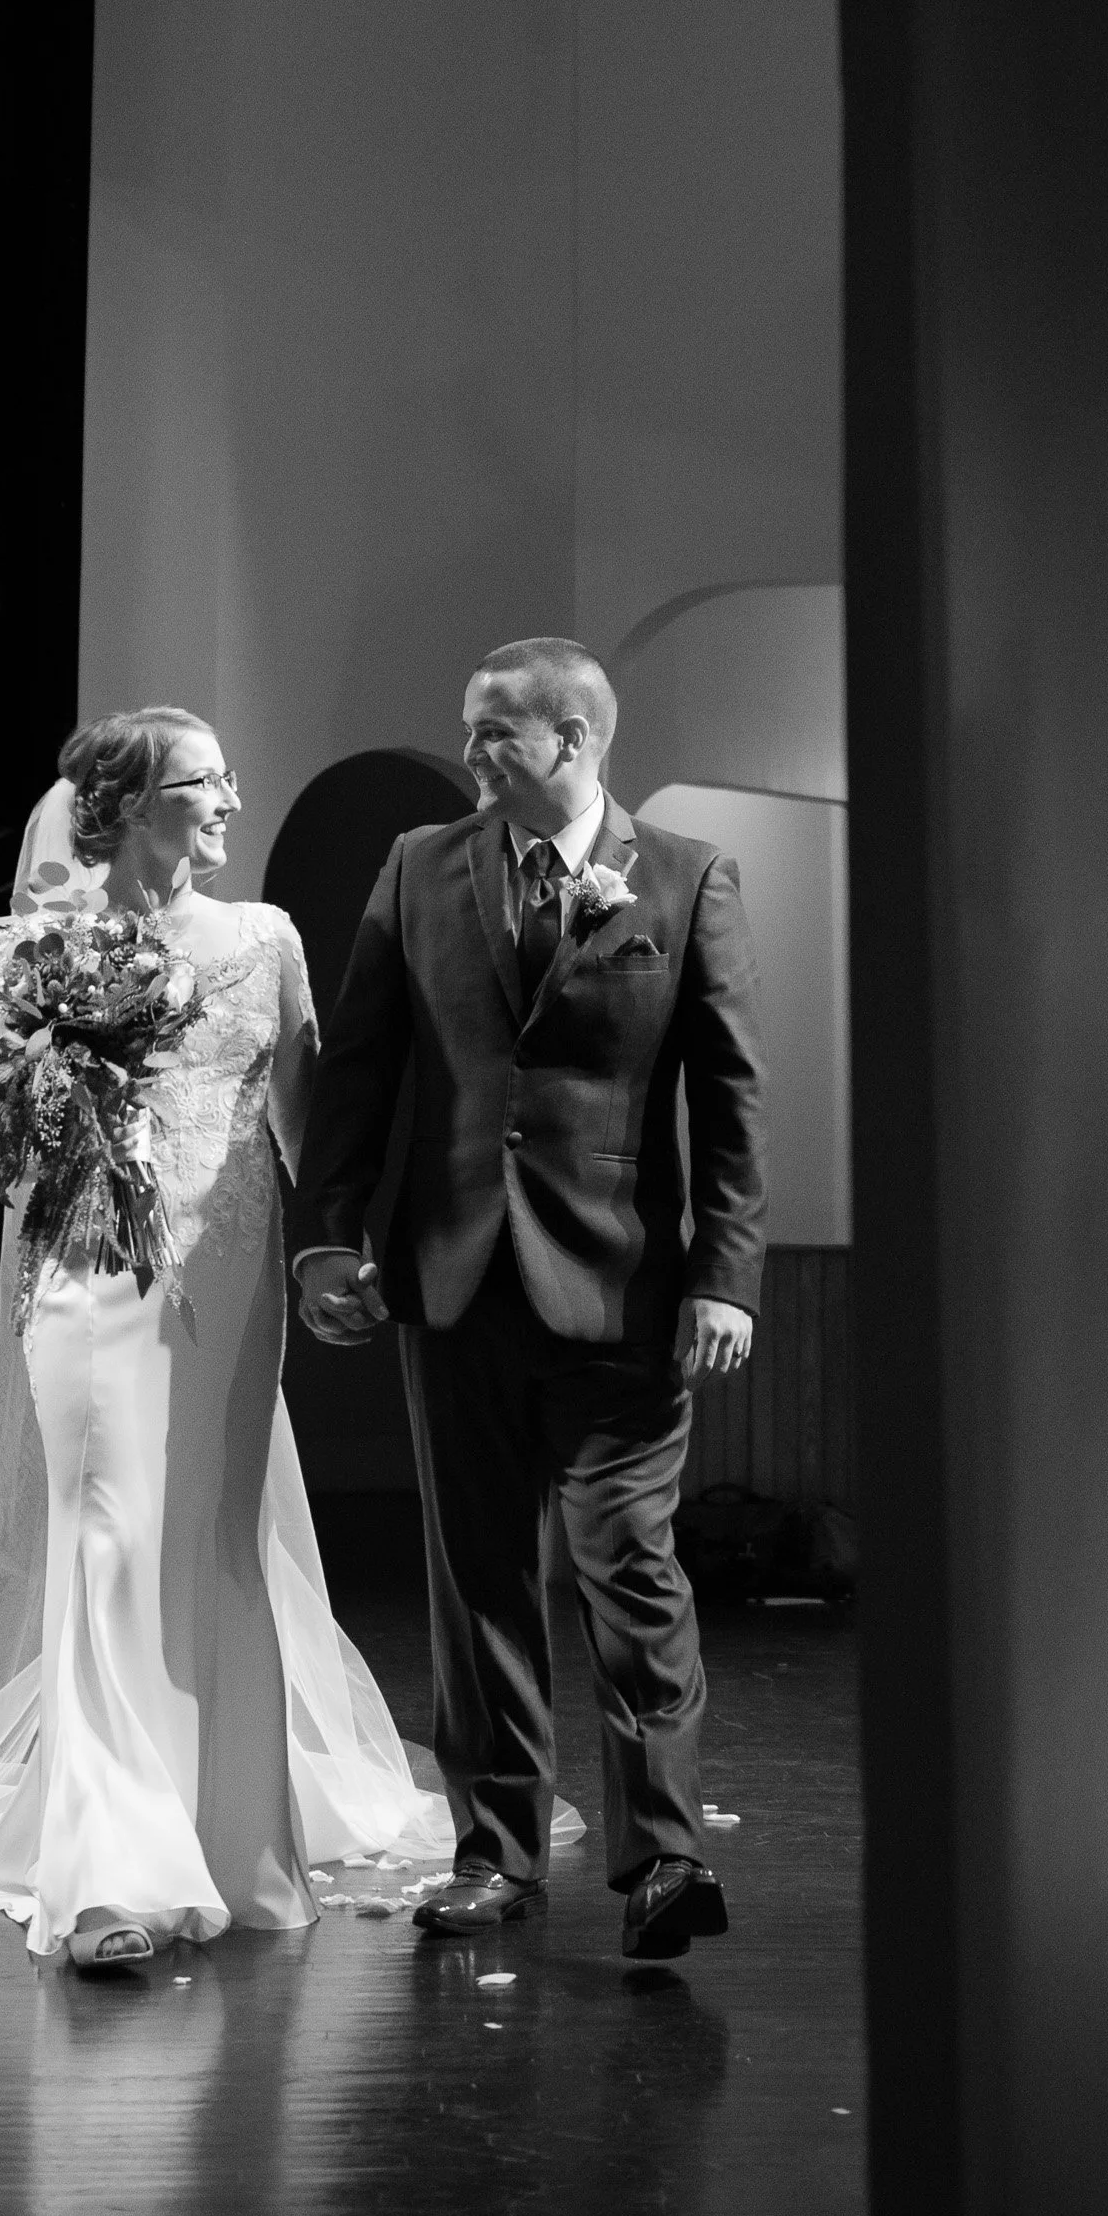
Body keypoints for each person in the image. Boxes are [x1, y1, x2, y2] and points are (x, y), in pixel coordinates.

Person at [0, 706, 457, 1968]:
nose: (230, 799)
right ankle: (109, 1872)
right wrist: (61, 1109)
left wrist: (334, 1251)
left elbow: (302, 1116)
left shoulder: (264, 938)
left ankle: (228, 1836)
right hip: (86, 1274)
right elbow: (4, 1139)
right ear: (130, 806)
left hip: (231, 1282)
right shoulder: (41, 950)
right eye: (202, 782)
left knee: (209, 1543)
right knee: (108, 1543)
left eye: (231, 775)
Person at [291, 636, 768, 1960]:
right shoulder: (416, 871)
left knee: (630, 1564)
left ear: (574, 741)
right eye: (469, 733)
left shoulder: (681, 880)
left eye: (497, 735)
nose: (473, 756)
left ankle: (664, 1859)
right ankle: (494, 1855)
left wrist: (725, 1277)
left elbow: (729, 1100)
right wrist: (328, 1240)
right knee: (478, 1577)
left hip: (624, 1295)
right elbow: (361, 1076)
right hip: (454, 1283)